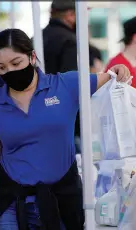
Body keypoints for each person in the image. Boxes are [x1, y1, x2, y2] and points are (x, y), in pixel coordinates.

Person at [0, 28, 130, 230]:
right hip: (13, 200)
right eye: (2, 68)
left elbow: (112, 77)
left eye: (16, 63)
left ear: (32, 57)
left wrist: (119, 70)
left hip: (61, 199)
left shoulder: (66, 85)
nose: (10, 71)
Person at [42, 0, 104, 153]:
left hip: (41, 115)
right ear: (70, 15)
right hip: (66, 122)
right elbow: (71, 83)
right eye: (82, 14)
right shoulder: (70, 41)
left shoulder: (36, 37)